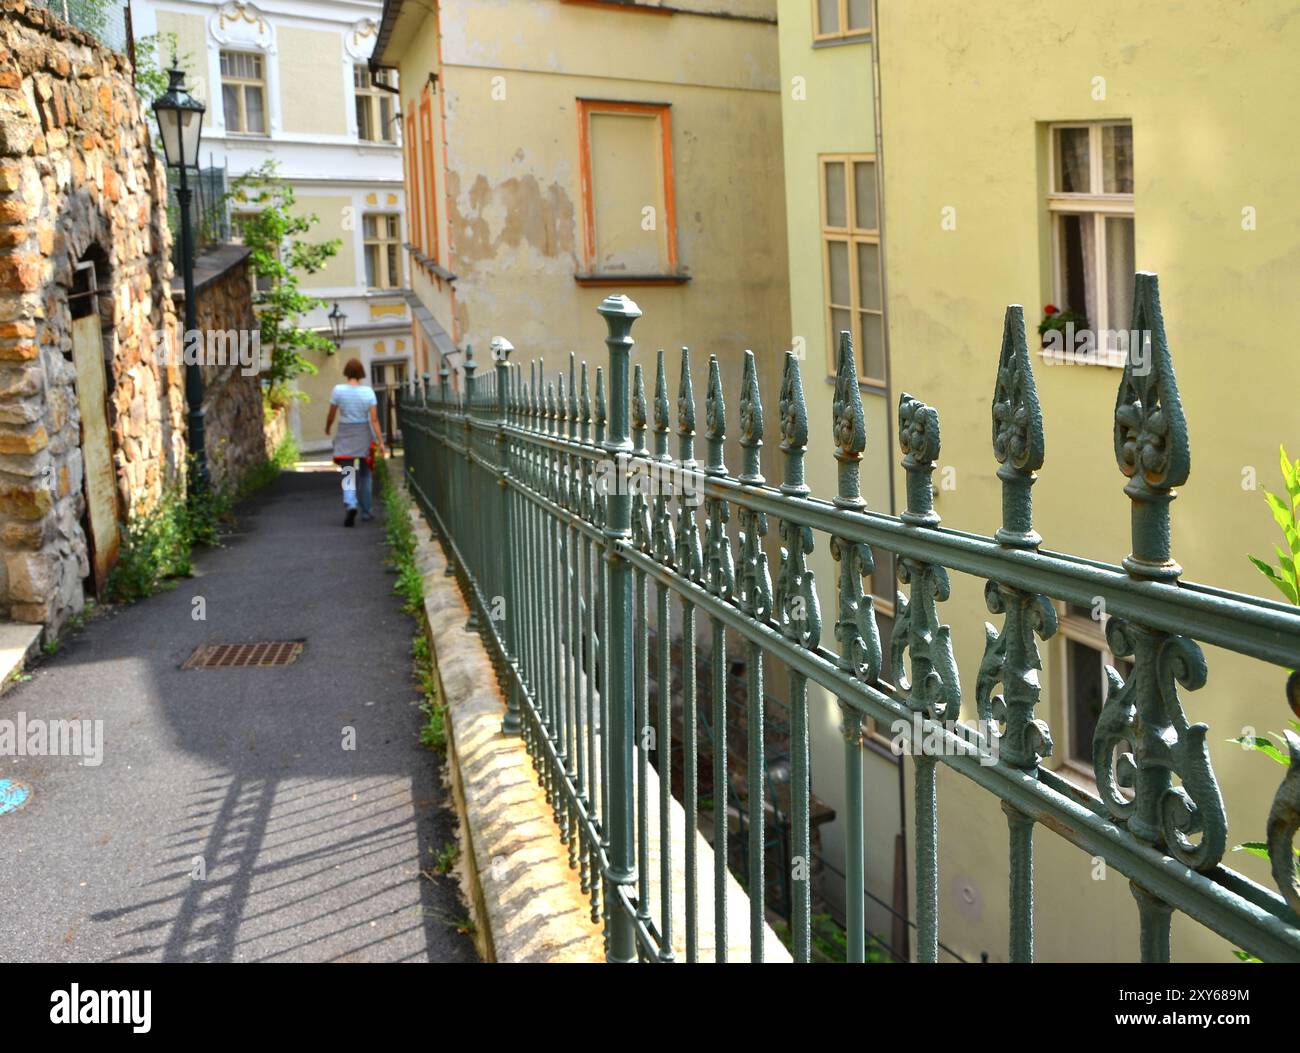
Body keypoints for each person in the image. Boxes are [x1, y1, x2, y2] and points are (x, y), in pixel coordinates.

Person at [324, 357, 387, 526]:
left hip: (345, 432)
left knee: (348, 472)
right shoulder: (368, 392)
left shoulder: (338, 390)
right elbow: (374, 420)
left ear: (346, 372)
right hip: (363, 434)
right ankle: (366, 512)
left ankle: (351, 503)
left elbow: (332, 413)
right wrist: (381, 441)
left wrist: (328, 427)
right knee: (366, 475)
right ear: (361, 374)